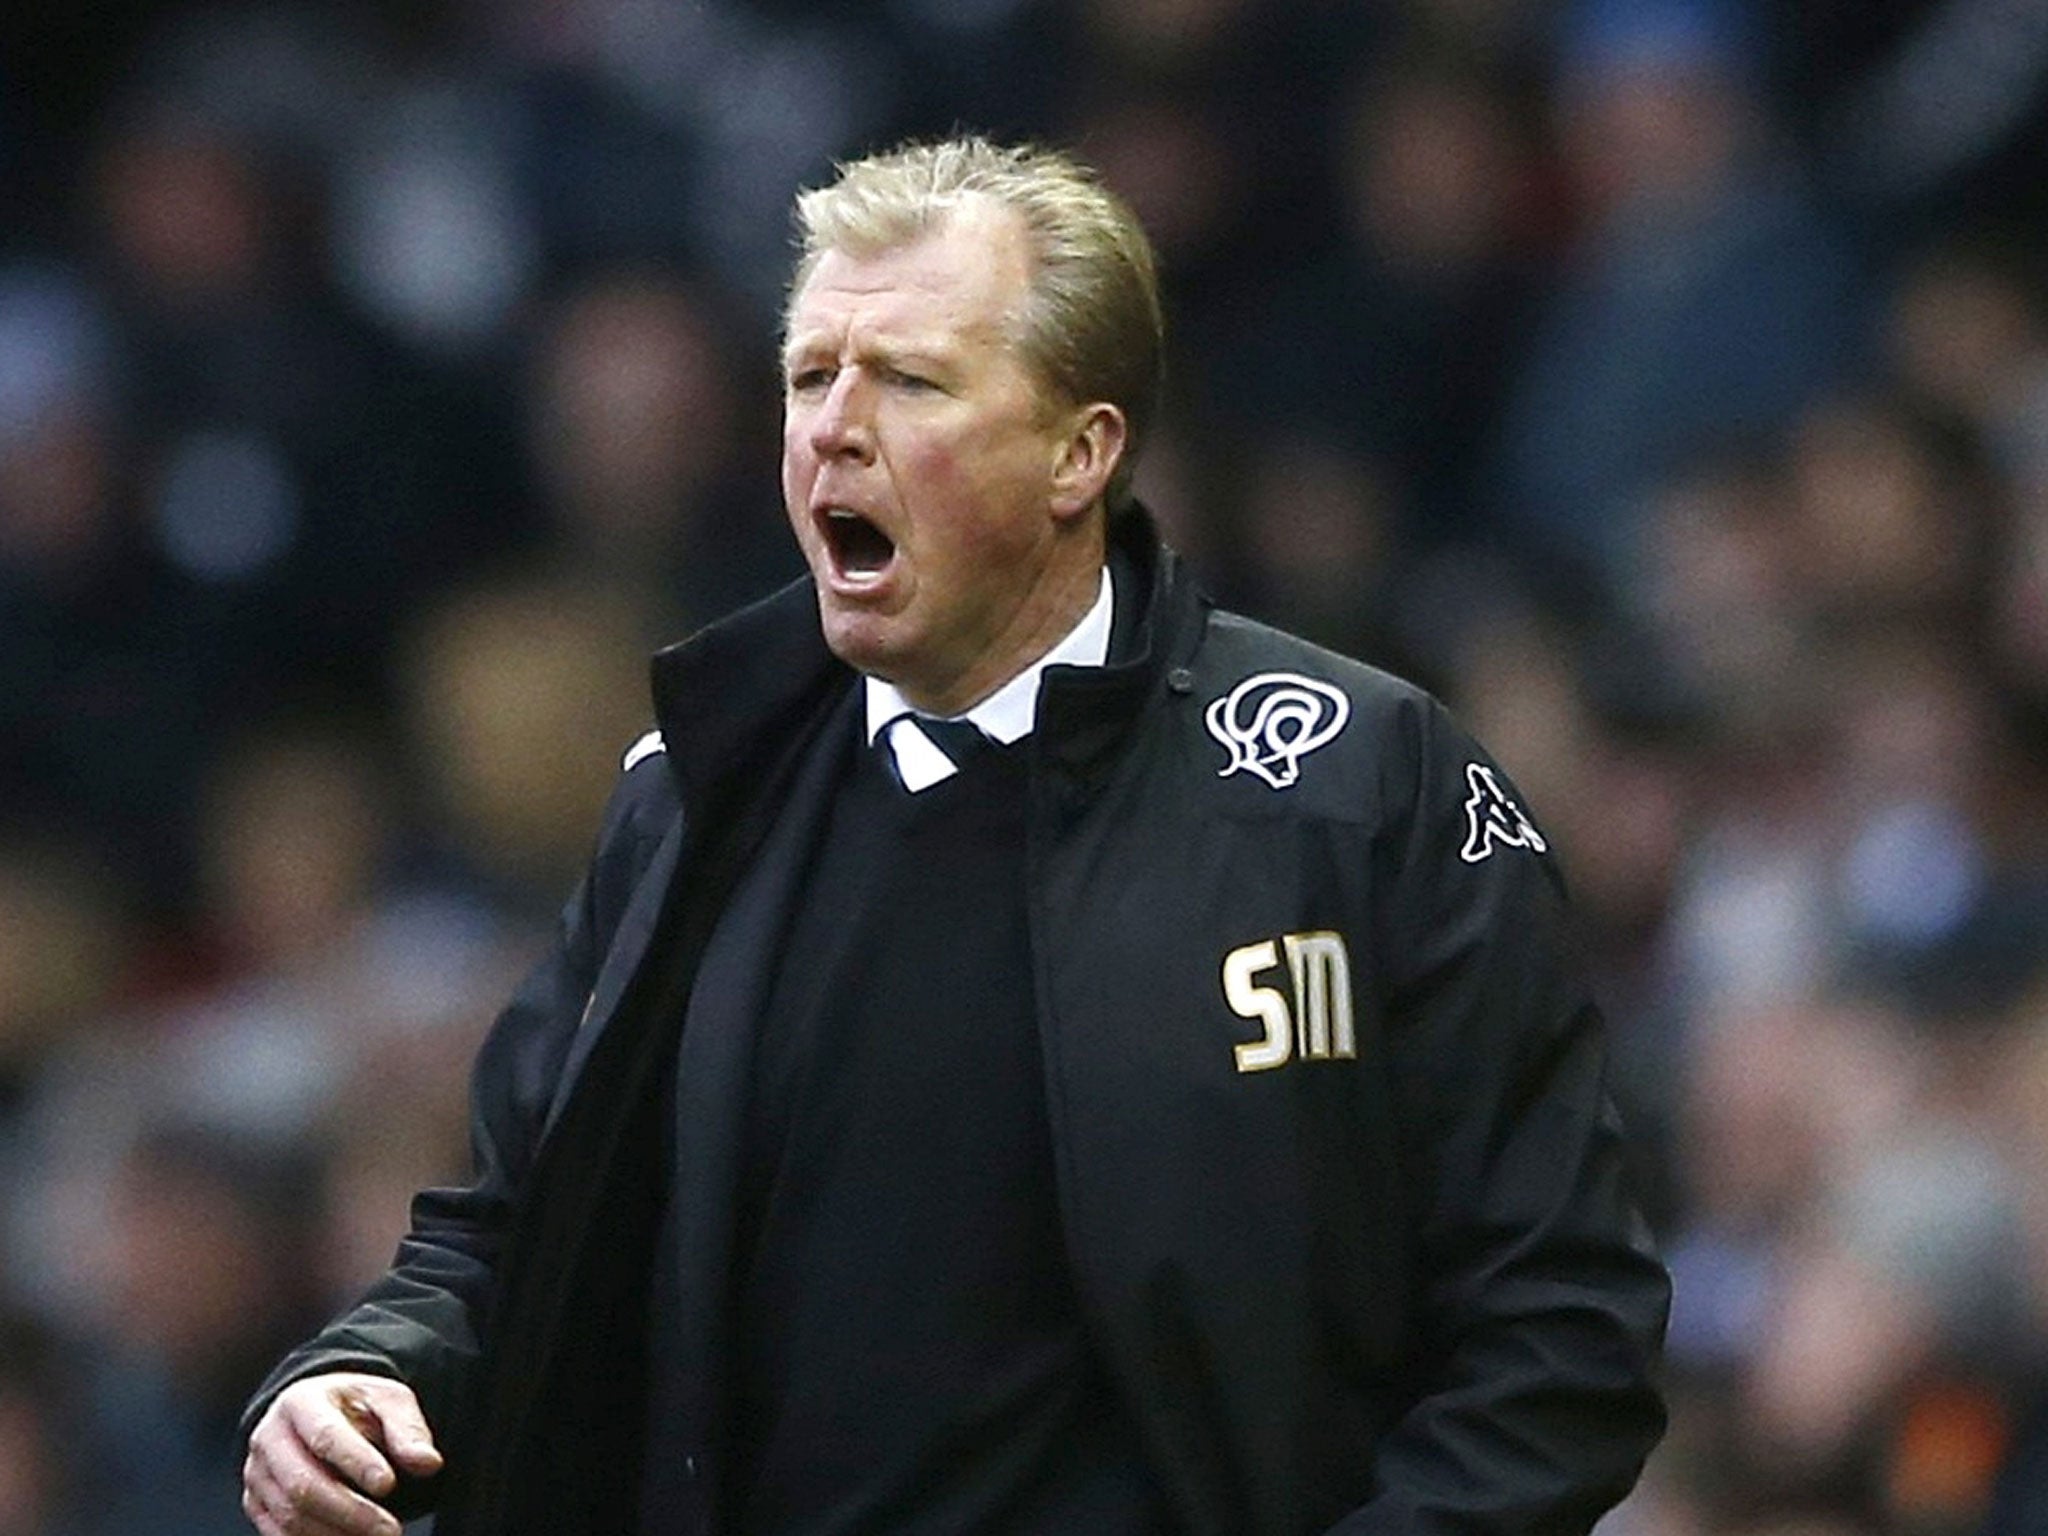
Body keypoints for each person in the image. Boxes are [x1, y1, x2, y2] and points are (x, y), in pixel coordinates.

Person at [238, 136, 1669, 1536]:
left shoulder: (1355, 784)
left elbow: (1559, 1329)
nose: (834, 429)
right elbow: (509, 1235)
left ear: (1079, 452)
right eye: (809, 377)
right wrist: (363, 1371)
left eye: (912, 381)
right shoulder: (698, 796)